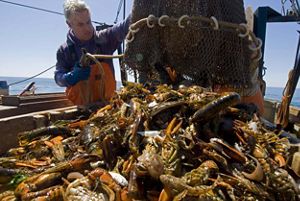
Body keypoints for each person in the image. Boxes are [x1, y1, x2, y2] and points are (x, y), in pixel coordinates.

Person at [55, 0, 130, 105]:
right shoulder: (64, 51)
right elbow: (58, 77)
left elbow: (125, 26)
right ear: (69, 24)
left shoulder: (105, 39)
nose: (87, 28)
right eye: (80, 24)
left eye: (88, 22)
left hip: (108, 106)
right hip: (80, 109)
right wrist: (71, 76)